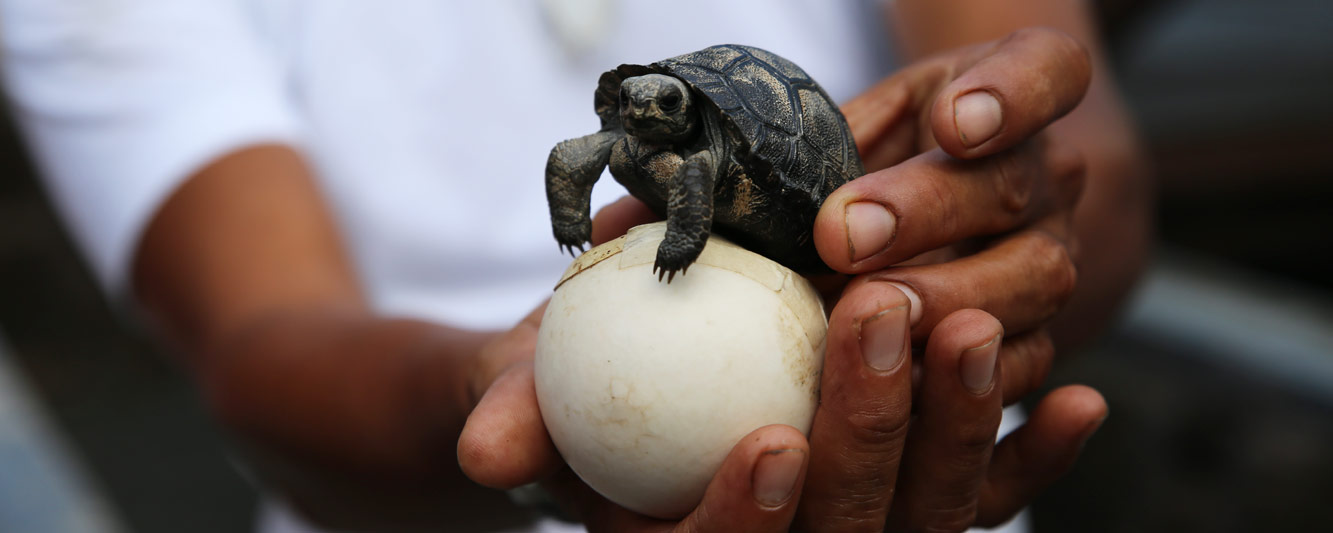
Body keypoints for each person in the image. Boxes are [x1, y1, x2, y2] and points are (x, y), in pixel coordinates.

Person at [0, 0, 1148, 531]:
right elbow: (256, 346)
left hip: (855, 316)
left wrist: (999, 207)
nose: (631, 124)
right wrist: (499, 385)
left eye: (652, 111)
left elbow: (1087, 159)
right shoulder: (619, 146)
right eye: (630, 113)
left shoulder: (691, 158)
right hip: (446, 478)